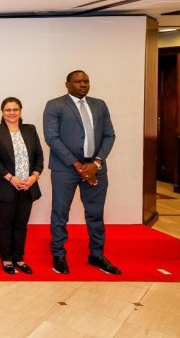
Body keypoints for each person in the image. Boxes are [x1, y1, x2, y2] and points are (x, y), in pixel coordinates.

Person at [43, 70, 120, 275]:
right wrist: (77, 165)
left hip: (96, 168)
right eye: (77, 82)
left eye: (86, 81)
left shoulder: (99, 105)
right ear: (67, 84)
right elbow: (52, 138)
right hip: (65, 169)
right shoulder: (55, 105)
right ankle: (58, 254)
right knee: (60, 213)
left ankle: (97, 255)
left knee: (96, 214)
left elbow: (109, 135)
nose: (83, 84)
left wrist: (96, 163)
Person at [0, 97, 43, 275]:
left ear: (20, 111)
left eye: (15, 109)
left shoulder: (30, 130)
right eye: (8, 110)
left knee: (21, 224)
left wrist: (34, 177)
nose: (12, 113)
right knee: (5, 224)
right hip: (6, 186)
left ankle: (19, 258)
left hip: (28, 186)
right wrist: (11, 178)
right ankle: (6, 259)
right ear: (2, 112)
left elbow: (39, 157)